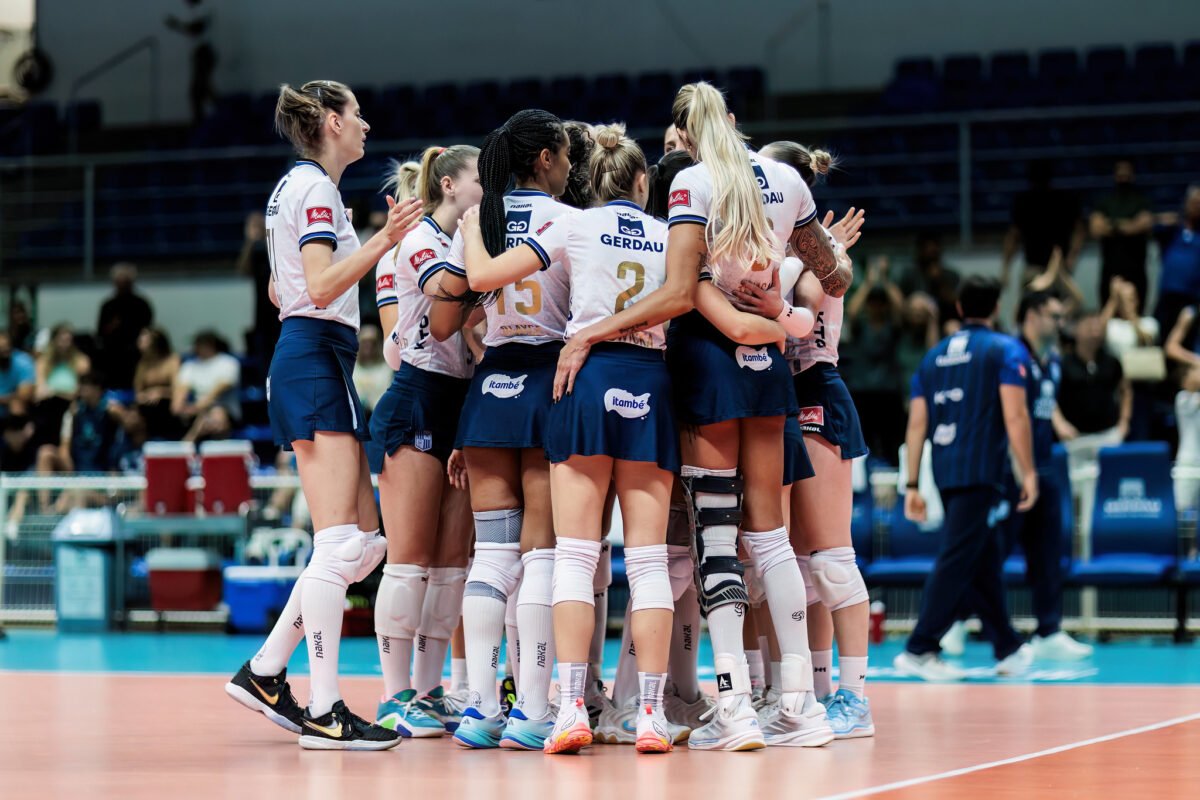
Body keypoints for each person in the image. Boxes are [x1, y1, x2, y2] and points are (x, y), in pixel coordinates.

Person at [587, 82, 846, 750]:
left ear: (684, 134)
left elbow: (681, 289)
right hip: (767, 366)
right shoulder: (787, 179)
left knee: (718, 537)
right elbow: (835, 276)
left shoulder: (692, 183)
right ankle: (799, 708)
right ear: (733, 121)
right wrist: (780, 307)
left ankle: (732, 709)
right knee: (773, 540)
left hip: (708, 361)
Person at [460, 123, 684, 754]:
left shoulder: (571, 224)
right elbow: (687, 297)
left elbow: (487, 276)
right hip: (649, 380)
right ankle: (649, 715)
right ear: (642, 181)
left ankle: (565, 710)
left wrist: (476, 222)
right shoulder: (668, 233)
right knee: (649, 563)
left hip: (583, 382)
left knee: (575, 559)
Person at [224, 79, 424, 751]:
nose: (366, 125)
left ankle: (265, 670)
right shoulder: (313, 189)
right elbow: (315, 286)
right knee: (342, 544)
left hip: (315, 354)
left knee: (364, 545)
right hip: (313, 354)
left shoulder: (299, 188)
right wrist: (382, 240)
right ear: (333, 122)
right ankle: (324, 708)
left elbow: (282, 286)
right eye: (357, 115)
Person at [427, 110, 574, 751]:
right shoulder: (563, 219)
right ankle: (533, 711)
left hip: (490, 389)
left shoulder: (479, 220)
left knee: (491, 555)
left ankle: (482, 708)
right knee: (541, 555)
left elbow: (443, 321)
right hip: (548, 382)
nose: (569, 167)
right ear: (544, 159)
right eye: (564, 156)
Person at [734, 140, 874, 738]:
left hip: (815, 387)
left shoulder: (819, 252)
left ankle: (856, 699)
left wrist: (805, 267)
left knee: (832, 562)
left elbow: (810, 310)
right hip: (771, 393)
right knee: (778, 563)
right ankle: (798, 691)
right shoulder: (765, 246)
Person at [367, 144, 480, 738]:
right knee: (408, 561)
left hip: (462, 401)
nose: (489, 186)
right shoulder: (422, 239)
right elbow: (444, 298)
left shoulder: (466, 242)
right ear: (449, 185)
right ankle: (394, 695)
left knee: (451, 565)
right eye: (480, 176)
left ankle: (432, 690)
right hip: (416, 396)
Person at [896, 276, 1038, 682]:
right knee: (959, 557)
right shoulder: (1006, 350)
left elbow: (917, 423)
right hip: (981, 469)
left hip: (944, 468)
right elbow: (1016, 415)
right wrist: (1028, 472)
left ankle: (1008, 647)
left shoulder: (933, 356)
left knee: (981, 556)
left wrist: (912, 483)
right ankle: (920, 647)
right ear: (996, 307)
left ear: (959, 308)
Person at [943, 292, 1093, 661]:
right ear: (1030, 315)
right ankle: (956, 620)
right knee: (989, 552)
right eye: (1053, 315)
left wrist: (1059, 423)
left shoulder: (1052, 359)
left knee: (1048, 553)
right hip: (1009, 470)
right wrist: (1020, 469)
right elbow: (1009, 413)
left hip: (1045, 467)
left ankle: (1048, 630)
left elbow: (1042, 404)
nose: (1060, 323)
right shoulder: (1010, 355)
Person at [1002, 160, 1084, 288]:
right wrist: (1071, 258)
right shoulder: (1025, 202)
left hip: (1056, 268)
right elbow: (1013, 235)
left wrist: (1005, 269)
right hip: (1040, 268)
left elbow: (1013, 237)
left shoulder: (1063, 200)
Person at [1091, 159, 1153, 311]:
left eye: (1126, 172)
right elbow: (1096, 228)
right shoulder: (1105, 202)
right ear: (1115, 175)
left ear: (1132, 175)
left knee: (1136, 315)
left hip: (1136, 273)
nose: (1123, 175)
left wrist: (1113, 225)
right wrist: (1128, 224)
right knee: (1107, 316)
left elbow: (1144, 223)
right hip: (1110, 272)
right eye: (1120, 171)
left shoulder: (1141, 201)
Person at [173, 331, 240, 444]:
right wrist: (179, 406)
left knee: (216, 415)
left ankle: (188, 443)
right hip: (196, 411)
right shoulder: (189, 366)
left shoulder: (229, 363)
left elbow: (219, 389)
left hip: (224, 409)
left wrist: (198, 407)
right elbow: (181, 389)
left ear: (211, 345)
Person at [237, 211, 282, 376]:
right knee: (264, 355)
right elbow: (243, 269)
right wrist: (250, 240)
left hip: (279, 309)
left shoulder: (275, 243)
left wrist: (267, 235)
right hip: (261, 312)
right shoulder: (253, 250)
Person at [31, 324, 90, 448]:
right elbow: (39, 392)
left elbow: (82, 391)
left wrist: (55, 392)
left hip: (72, 405)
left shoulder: (82, 361)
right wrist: (59, 393)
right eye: (61, 340)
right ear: (54, 340)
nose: (64, 344)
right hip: (48, 407)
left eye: (68, 340)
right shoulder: (43, 361)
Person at [97, 263, 154, 390]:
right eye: (119, 282)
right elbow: (100, 333)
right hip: (112, 355)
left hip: (136, 355)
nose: (122, 285)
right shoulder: (108, 306)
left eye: (125, 282)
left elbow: (148, 331)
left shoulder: (141, 305)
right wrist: (112, 326)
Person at [1153, 186, 1200, 339]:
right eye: (1194, 203)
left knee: (1186, 338)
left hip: (1192, 297)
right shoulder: (1173, 231)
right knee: (1163, 336)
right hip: (1167, 296)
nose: (1196, 207)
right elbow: (1153, 226)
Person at [165, 0, 216, 124]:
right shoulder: (193, 11)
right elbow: (193, 30)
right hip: (200, 54)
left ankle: (205, 122)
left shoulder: (203, 9)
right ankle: (205, 121)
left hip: (204, 54)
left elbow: (195, 29)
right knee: (202, 90)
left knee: (198, 91)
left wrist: (176, 25)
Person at [899, 232, 960, 333]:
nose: (929, 254)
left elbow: (955, 303)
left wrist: (939, 280)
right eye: (926, 249)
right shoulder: (909, 275)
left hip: (943, 323)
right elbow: (901, 304)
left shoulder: (950, 275)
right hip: (913, 325)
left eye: (933, 251)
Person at [352, 324, 391, 416]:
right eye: (364, 342)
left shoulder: (387, 368)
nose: (368, 346)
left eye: (372, 342)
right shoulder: (352, 368)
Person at [0, 332, 35, 418]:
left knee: (16, 405)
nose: (5, 350)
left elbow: (24, 394)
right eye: (1, 348)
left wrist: (4, 399)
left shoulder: (23, 361)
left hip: (12, 406)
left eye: (7, 346)